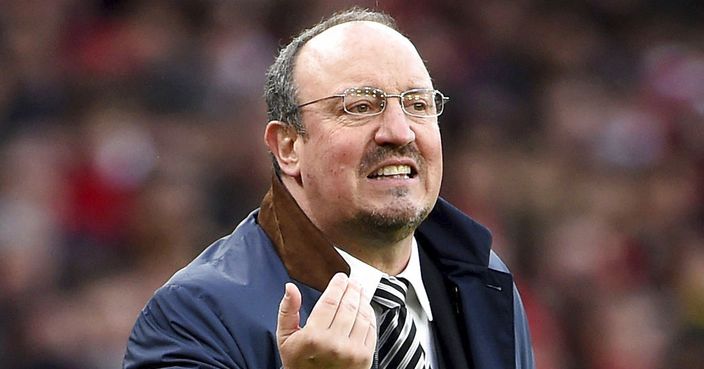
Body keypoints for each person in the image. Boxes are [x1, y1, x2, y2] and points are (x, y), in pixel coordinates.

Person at [124, 7, 535, 369]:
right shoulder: (194, 315)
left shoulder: (484, 279)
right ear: (288, 147)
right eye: (359, 107)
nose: (399, 131)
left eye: (417, 104)